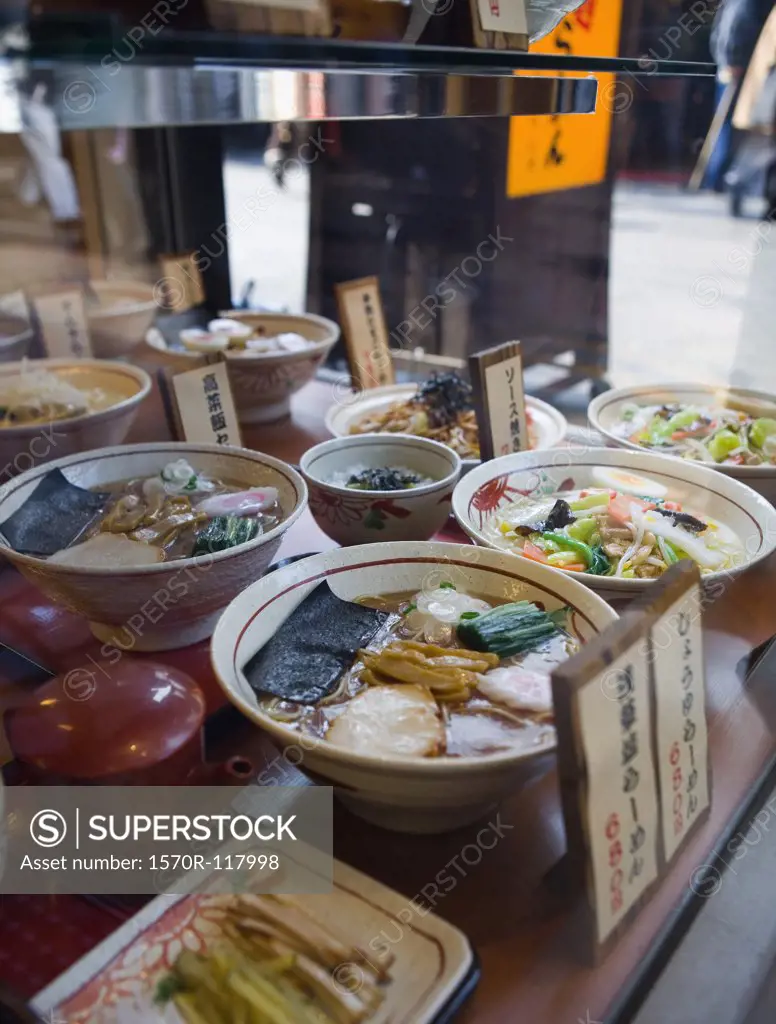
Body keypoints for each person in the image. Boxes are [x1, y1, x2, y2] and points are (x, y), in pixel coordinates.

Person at [703, 0, 774, 190]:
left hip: (732, 66)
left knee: (728, 124)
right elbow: (736, 26)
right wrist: (733, 60)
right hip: (736, 68)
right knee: (728, 125)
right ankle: (717, 178)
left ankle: (718, 177)